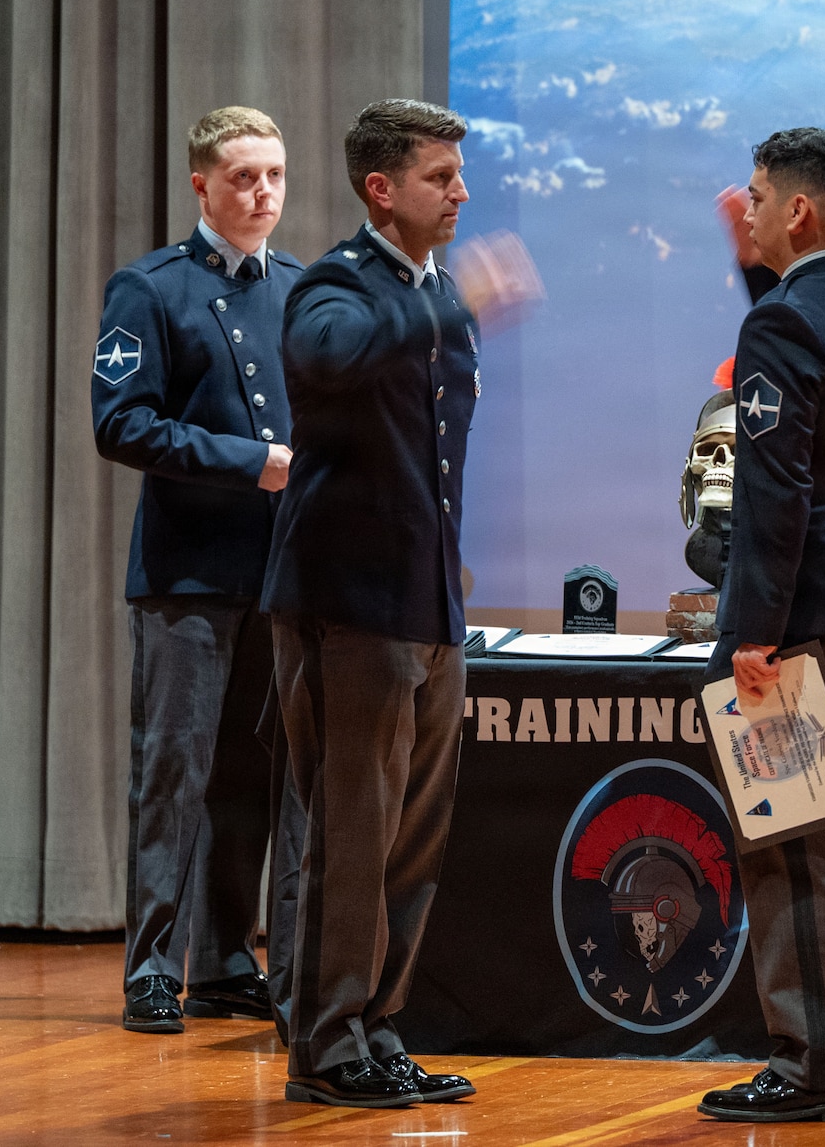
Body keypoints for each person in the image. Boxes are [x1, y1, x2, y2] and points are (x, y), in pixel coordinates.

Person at [262, 98, 533, 1109]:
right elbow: (334, 356)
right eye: (439, 177)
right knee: (352, 833)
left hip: (425, 604)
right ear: (381, 189)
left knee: (412, 839)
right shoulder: (334, 284)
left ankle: (376, 1028)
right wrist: (454, 306)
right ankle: (326, 1045)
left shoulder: (430, 292)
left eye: (459, 175)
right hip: (348, 603)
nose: (461, 192)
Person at [697, 128, 825, 1123]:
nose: (744, 207)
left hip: (800, 620)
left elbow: (775, 485)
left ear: (797, 211)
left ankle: (812, 1068)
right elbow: (806, 374)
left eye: (755, 195)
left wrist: (752, 630)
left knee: (792, 844)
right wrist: (755, 275)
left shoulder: (784, 323)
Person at [92, 106, 298, 1034]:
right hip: (187, 575)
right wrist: (249, 462)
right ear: (201, 185)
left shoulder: (301, 288)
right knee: (173, 771)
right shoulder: (150, 288)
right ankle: (151, 967)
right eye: (244, 176)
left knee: (252, 775)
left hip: (279, 574)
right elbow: (121, 424)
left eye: (275, 175)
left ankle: (223, 962)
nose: (262, 192)